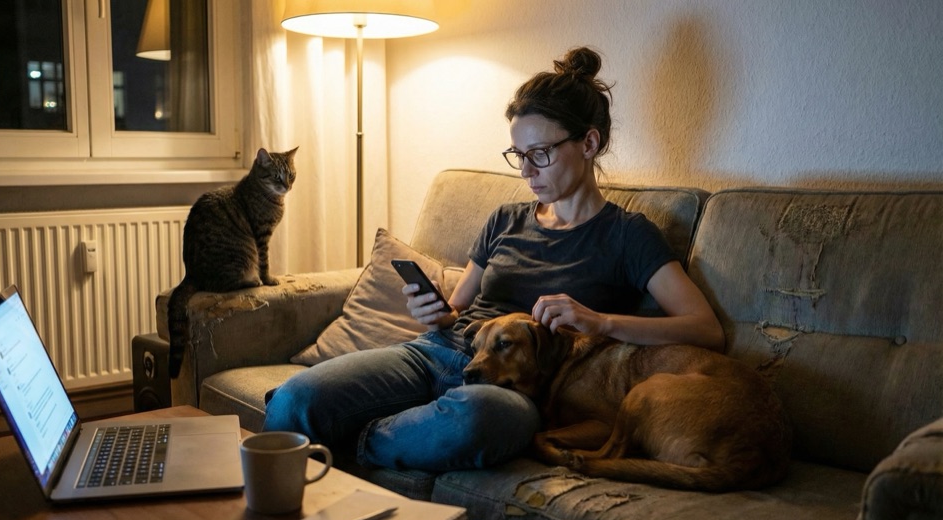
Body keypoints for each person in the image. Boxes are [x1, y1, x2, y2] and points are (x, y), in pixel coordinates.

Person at [263, 46, 724, 472]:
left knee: (476, 421)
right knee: (293, 402)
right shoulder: (505, 219)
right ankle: (390, 435)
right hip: (442, 352)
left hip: (515, 388)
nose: (525, 171)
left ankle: (356, 443)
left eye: (539, 154)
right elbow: (456, 308)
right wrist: (434, 311)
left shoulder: (629, 235)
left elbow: (706, 329)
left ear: (589, 143)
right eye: (518, 155)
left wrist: (601, 321)